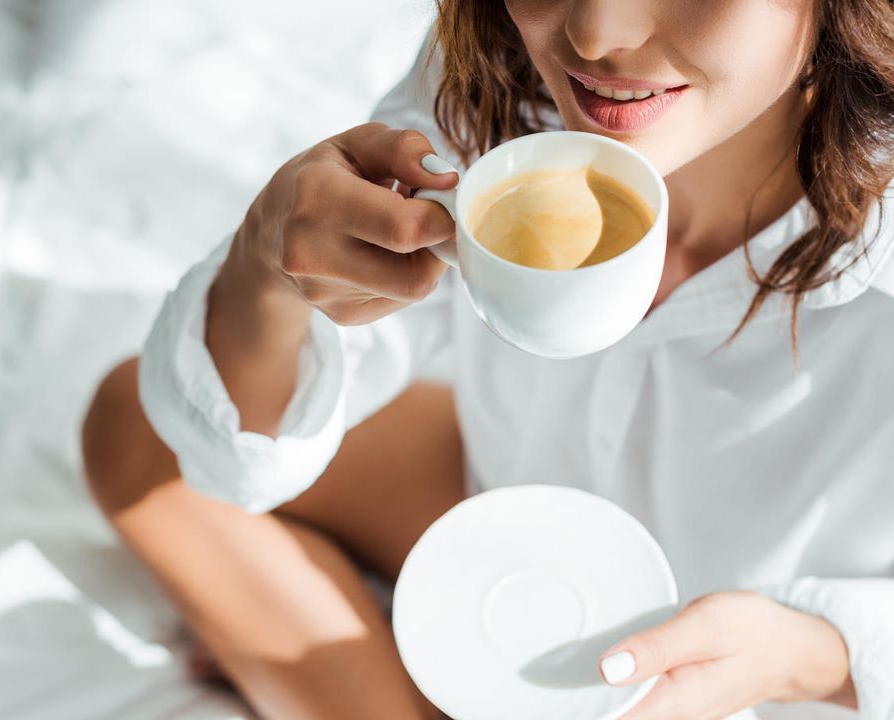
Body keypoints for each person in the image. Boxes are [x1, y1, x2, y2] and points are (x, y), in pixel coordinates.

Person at [82, 1, 894, 718]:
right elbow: (233, 449)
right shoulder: (494, 79)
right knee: (139, 430)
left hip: (760, 664)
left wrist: (810, 654)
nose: (594, 34)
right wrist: (267, 278)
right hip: (516, 511)